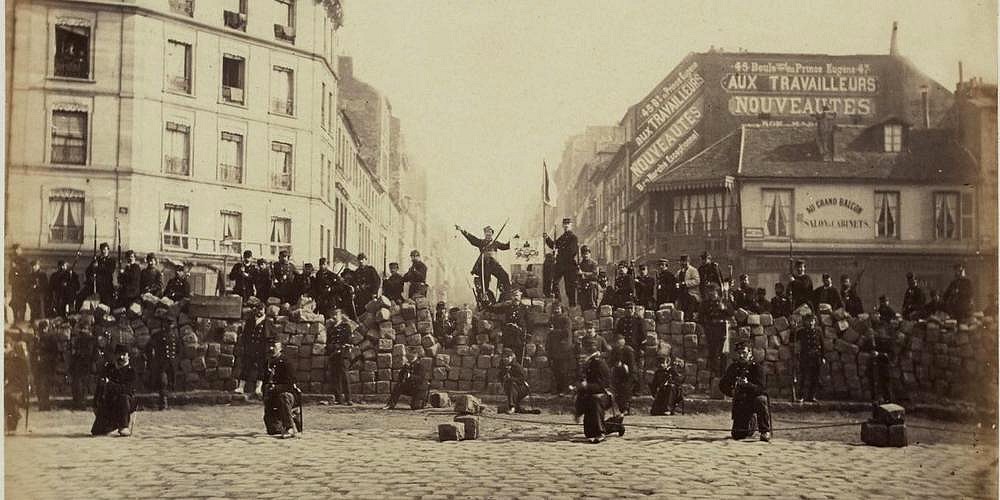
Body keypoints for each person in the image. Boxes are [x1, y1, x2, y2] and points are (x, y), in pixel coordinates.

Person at [572, 341, 623, 443]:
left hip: (605, 395)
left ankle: (601, 433)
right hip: (591, 395)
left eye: (584, 353)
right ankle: (615, 425)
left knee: (595, 400)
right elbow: (580, 380)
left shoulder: (600, 364)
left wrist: (586, 386)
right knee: (589, 433)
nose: (582, 356)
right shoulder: (586, 365)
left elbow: (603, 385)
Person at [719, 342, 771, 442]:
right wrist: (731, 391)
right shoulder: (734, 367)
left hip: (754, 400)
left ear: (750, 353)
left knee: (761, 400)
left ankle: (765, 431)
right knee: (737, 435)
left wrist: (747, 385)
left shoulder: (757, 368)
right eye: (739, 353)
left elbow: (762, 389)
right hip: (741, 403)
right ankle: (751, 423)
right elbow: (722, 384)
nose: (741, 355)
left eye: (744, 352)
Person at [457, 224, 513, 299]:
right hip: (485, 265)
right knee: (485, 283)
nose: (488, 235)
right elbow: (472, 239)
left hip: (494, 264)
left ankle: (508, 295)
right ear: (485, 234)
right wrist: (462, 231)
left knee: (505, 276)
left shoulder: (496, 243)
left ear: (492, 234)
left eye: (490, 233)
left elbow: (506, 246)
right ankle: (485, 298)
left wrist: (514, 241)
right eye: (486, 233)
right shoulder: (481, 242)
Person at [91, 344, 136, 436]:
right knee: (97, 432)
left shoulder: (132, 372)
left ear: (129, 356)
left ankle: (124, 426)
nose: (121, 357)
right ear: (115, 356)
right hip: (110, 404)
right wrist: (95, 403)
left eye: (124, 354)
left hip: (126, 405)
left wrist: (109, 384)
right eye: (119, 354)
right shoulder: (109, 369)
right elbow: (100, 386)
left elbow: (127, 390)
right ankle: (112, 424)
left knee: (123, 397)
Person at [262, 339, 301, 438]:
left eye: (274, 346)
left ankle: (290, 428)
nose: (271, 348)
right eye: (270, 346)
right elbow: (264, 379)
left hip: (288, 395)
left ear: (280, 348)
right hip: (273, 396)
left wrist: (276, 387)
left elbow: (291, 384)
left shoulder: (287, 362)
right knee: (273, 430)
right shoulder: (267, 362)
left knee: (283, 397)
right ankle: (289, 416)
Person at [544, 217, 580, 307]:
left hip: (569, 265)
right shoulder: (563, 237)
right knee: (554, 282)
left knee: (570, 288)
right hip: (560, 264)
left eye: (568, 224)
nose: (566, 226)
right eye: (564, 224)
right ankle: (558, 302)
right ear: (562, 226)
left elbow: (572, 251)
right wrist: (547, 238)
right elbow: (554, 245)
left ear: (571, 225)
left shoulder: (573, 238)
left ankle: (572, 306)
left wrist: (559, 251)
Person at [234, 302, 268, 397]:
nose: (259, 311)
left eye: (261, 309)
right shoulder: (250, 321)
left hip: (261, 350)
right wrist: (246, 346)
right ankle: (241, 387)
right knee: (246, 367)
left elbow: (270, 337)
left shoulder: (267, 322)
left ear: (264, 310)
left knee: (261, 369)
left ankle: (258, 388)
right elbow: (245, 335)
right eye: (258, 309)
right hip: (250, 349)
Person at [699, 285, 731, 376]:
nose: (711, 294)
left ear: (717, 292)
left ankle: (723, 373)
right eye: (709, 291)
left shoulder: (723, 301)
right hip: (711, 328)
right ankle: (714, 372)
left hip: (722, 328)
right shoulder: (705, 303)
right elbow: (700, 317)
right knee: (713, 351)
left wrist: (724, 308)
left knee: (723, 352)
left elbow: (731, 313)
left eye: (713, 291)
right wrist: (705, 326)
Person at [145, 321, 178, 410]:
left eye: (171, 324)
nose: (170, 326)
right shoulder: (158, 335)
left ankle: (168, 402)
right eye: (168, 324)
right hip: (161, 363)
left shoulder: (175, 335)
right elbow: (149, 347)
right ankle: (163, 403)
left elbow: (179, 348)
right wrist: (153, 360)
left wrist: (177, 359)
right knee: (163, 382)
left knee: (171, 383)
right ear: (164, 325)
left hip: (172, 363)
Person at [793, 314, 825, 402]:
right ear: (805, 322)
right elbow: (792, 338)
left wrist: (823, 356)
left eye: (812, 321)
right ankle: (801, 396)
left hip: (816, 357)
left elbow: (822, 345)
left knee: (815, 377)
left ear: (815, 321)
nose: (811, 323)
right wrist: (794, 329)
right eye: (809, 321)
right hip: (805, 356)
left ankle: (812, 396)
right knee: (803, 377)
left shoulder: (818, 331)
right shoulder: (801, 332)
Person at [860, 323, 894, 405]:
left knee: (885, 387)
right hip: (873, 367)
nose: (879, 333)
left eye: (881, 331)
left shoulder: (887, 342)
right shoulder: (871, 340)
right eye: (877, 331)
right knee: (873, 387)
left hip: (883, 367)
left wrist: (878, 354)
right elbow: (863, 349)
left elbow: (891, 355)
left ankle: (888, 403)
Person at [325, 308, 354, 405]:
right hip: (333, 354)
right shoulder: (330, 329)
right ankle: (339, 399)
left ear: (341, 315)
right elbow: (328, 342)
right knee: (335, 376)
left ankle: (348, 398)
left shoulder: (346, 327)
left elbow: (349, 340)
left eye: (336, 314)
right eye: (333, 314)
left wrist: (340, 347)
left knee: (344, 375)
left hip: (343, 353)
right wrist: (331, 348)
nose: (334, 316)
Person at [547, 304, 574, 394]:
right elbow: (549, 334)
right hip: (554, 348)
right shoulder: (552, 319)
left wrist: (554, 331)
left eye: (558, 309)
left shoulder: (566, 319)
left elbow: (566, 333)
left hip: (563, 349)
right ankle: (558, 389)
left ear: (561, 309)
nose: (556, 311)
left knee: (564, 370)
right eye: (554, 309)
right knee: (556, 370)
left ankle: (565, 389)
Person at [33, 324, 61, 411]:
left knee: (40, 384)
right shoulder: (51, 337)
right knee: (46, 385)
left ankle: (42, 404)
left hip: (40, 364)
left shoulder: (37, 338)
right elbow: (55, 351)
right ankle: (45, 404)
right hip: (48, 364)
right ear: (46, 328)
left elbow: (33, 351)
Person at [5, 336, 30, 433]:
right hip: (13, 385)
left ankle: (14, 419)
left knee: (9, 396)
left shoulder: (22, 361)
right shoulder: (11, 359)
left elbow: (26, 377)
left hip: (19, 387)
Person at [608, 334, 638, 415]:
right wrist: (615, 364)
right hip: (618, 374)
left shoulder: (628, 350)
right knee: (617, 390)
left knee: (626, 390)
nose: (619, 343)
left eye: (621, 340)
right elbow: (610, 362)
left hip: (629, 374)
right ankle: (621, 409)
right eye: (617, 341)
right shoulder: (614, 351)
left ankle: (626, 409)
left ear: (624, 341)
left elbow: (632, 365)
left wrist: (624, 365)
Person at [69, 327, 97, 409]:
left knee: (79, 383)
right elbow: (94, 352)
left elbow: (74, 352)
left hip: (80, 363)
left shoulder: (78, 339)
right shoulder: (91, 339)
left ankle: (79, 402)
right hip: (86, 363)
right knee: (83, 383)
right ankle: (81, 402)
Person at [500, 348, 529, 414]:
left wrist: (511, 379)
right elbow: (500, 377)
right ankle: (515, 406)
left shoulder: (517, 366)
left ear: (511, 357)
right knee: (510, 385)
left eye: (507, 357)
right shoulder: (503, 366)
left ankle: (512, 407)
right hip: (512, 388)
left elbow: (522, 379)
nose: (505, 359)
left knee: (512, 384)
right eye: (504, 357)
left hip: (522, 388)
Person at [7, 244, 30, 322]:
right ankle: (16, 320)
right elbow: (11, 274)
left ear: (19, 250)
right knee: (14, 304)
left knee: (21, 304)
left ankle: (21, 321)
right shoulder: (13, 259)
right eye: (14, 250)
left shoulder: (24, 260)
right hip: (15, 287)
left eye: (16, 249)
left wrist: (16, 267)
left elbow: (26, 272)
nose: (15, 251)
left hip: (22, 287)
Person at [577, 246, 600, 312]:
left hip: (592, 284)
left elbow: (595, 274)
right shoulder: (580, 264)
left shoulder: (594, 263)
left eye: (587, 253)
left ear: (590, 254)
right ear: (581, 255)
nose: (585, 255)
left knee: (592, 302)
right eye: (584, 254)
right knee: (583, 304)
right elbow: (578, 277)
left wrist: (583, 273)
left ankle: (594, 307)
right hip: (583, 285)